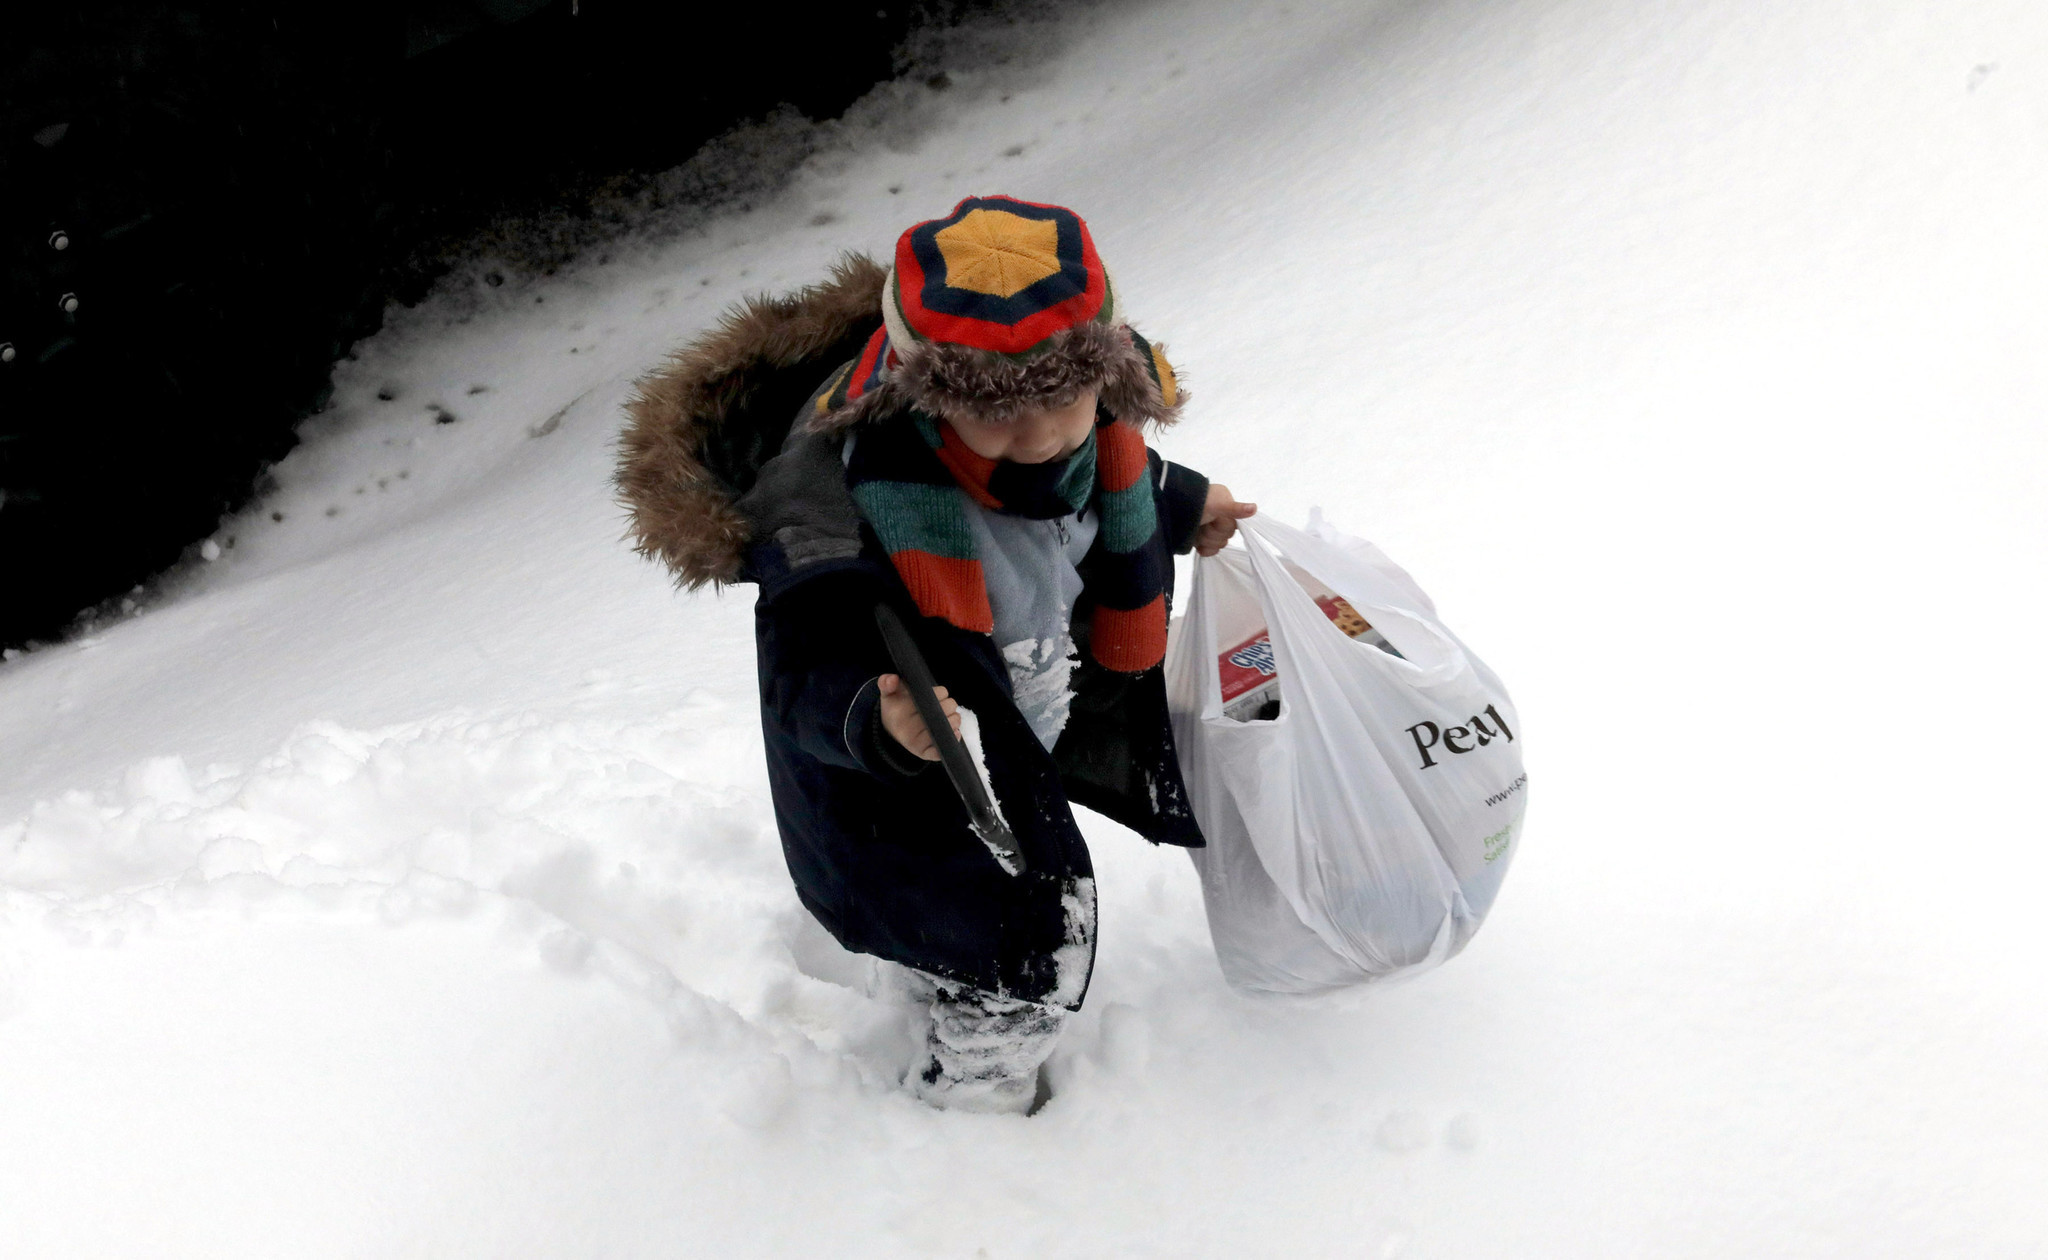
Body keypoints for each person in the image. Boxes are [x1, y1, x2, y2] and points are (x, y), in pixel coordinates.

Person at [616, 195, 1254, 1114]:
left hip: (1016, 735)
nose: (1039, 438)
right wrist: (876, 723)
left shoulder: (1092, 441)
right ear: (925, 396)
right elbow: (802, 673)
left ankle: (942, 1002)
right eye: (997, 415)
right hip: (902, 793)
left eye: (1066, 400)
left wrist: (1188, 506)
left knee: (986, 930)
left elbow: (1111, 488)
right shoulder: (841, 519)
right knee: (1008, 958)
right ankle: (969, 1107)